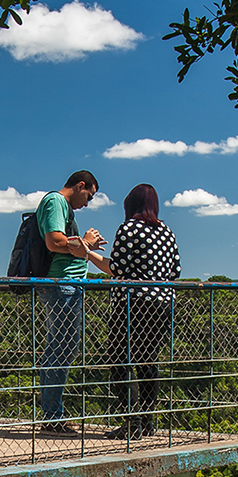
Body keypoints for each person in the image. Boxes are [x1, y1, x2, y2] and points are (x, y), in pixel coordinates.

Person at [35, 169, 110, 434]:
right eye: (88, 195)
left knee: (60, 349)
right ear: (81, 185)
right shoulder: (56, 201)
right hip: (62, 285)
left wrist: (85, 248)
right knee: (61, 350)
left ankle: (52, 414)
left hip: (66, 286)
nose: (87, 203)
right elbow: (54, 242)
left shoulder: (64, 207)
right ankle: (53, 416)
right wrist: (84, 242)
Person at [107, 183, 181, 437]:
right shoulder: (167, 231)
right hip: (163, 303)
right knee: (148, 360)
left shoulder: (129, 229)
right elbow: (176, 271)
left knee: (120, 360)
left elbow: (117, 267)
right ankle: (147, 422)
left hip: (133, 303)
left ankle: (131, 423)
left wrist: (87, 254)